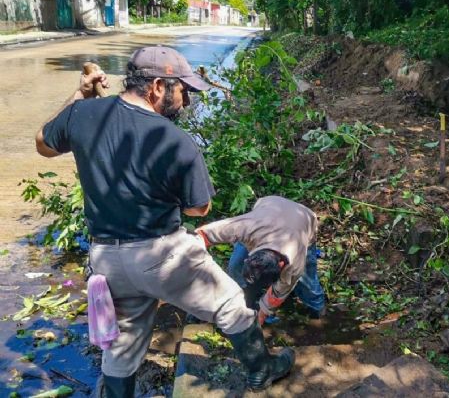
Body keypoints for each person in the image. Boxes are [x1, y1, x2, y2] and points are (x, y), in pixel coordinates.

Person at [35, 46, 293, 397]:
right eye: (182, 90)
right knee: (232, 305)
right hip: (163, 255)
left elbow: (43, 144)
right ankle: (261, 370)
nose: (185, 101)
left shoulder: (81, 114)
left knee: (121, 349)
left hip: (106, 259)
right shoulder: (175, 140)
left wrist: (80, 95)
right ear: (158, 86)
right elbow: (198, 209)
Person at [196, 196, 326, 325]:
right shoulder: (244, 227)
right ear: (251, 256)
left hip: (304, 219)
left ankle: (317, 307)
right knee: (235, 266)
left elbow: (278, 293)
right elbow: (201, 235)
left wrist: (261, 316)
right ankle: (244, 298)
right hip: (269, 205)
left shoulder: (295, 264)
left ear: (281, 265)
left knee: (307, 280)